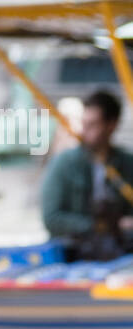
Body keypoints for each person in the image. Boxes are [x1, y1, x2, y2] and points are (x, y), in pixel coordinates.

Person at [42, 89, 133, 256]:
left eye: (92, 125)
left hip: (118, 250)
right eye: (84, 124)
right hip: (72, 251)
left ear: (111, 125)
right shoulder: (64, 163)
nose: (84, 132)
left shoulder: (127, 163)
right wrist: (101, 227)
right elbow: (52, 218)